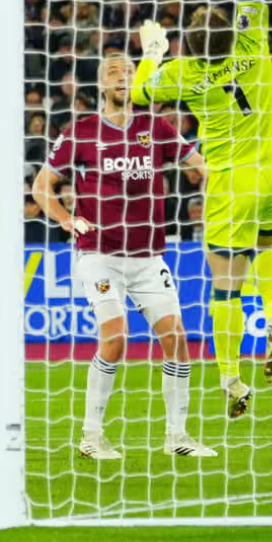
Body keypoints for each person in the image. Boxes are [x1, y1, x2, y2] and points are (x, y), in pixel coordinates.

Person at [133, 0, 272, 420]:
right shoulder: (252, 42)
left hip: (230, 179)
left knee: (225, 286)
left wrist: (152, 53)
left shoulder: (184, 73)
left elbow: (139, 94)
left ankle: (232, 379)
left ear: (190, 45)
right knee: (268, 246)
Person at [32, 53, 216, 459]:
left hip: (148, 257)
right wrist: (66, 219)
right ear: (101, 84)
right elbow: (42, 187)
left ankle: (177, 436)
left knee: (176, 339)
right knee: (115, 339)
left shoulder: (157, 127)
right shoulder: (81, 132)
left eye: (128, 72)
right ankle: (91, 436)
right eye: (113, 72)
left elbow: (203, 167)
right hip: (99, 254)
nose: (122, 77)